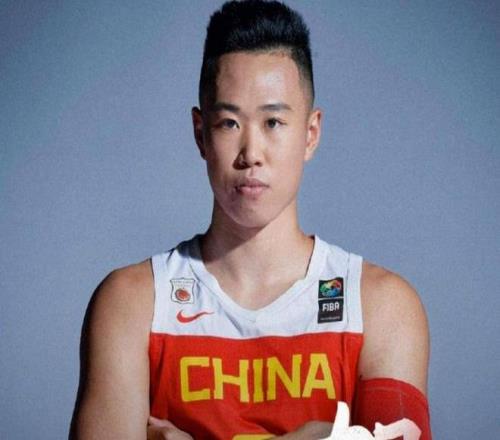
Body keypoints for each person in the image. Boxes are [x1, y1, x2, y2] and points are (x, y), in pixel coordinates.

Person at [69, 1, 432, 439]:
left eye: (273, 122)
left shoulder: (380, 307)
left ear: (310, 134)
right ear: (200, 134)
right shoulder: (132, 305)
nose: (251, 154)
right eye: (229, 123)